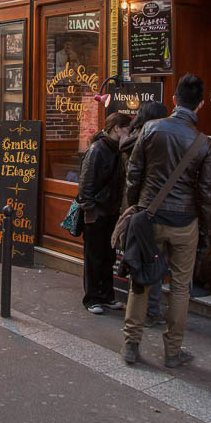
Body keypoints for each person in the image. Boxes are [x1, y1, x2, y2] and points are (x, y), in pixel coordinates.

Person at [122, 74, 211, 368]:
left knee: (141, 278)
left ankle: (131, 344)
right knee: (179, 287)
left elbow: (134, 173)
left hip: (150, 217)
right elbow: (208, 194)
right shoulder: (203, 143)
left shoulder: (151, 129)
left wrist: (136, 207)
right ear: (200, 105)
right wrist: (207, 230)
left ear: (174, 100)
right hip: (184, 222)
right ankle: (173, 351)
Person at [120, 101, 170, 327]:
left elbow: (132, 177)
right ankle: (150, 311)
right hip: (148, 207)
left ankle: (136, 315)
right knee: (153, 258)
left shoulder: (131, 137)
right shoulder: (152, 139)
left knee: (137, 256)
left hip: (135, 207)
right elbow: (139, 175)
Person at [77, 112, 132, 314]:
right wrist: (89, 210)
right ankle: (92, 298)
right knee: (94, 257)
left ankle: (107, 296)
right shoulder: (97, 150)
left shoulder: (119, 150)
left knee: (108, 256)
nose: (130, 132)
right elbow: (86, 184)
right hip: (97, 211)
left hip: (111, 211)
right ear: (117, 128)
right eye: (127, 128)